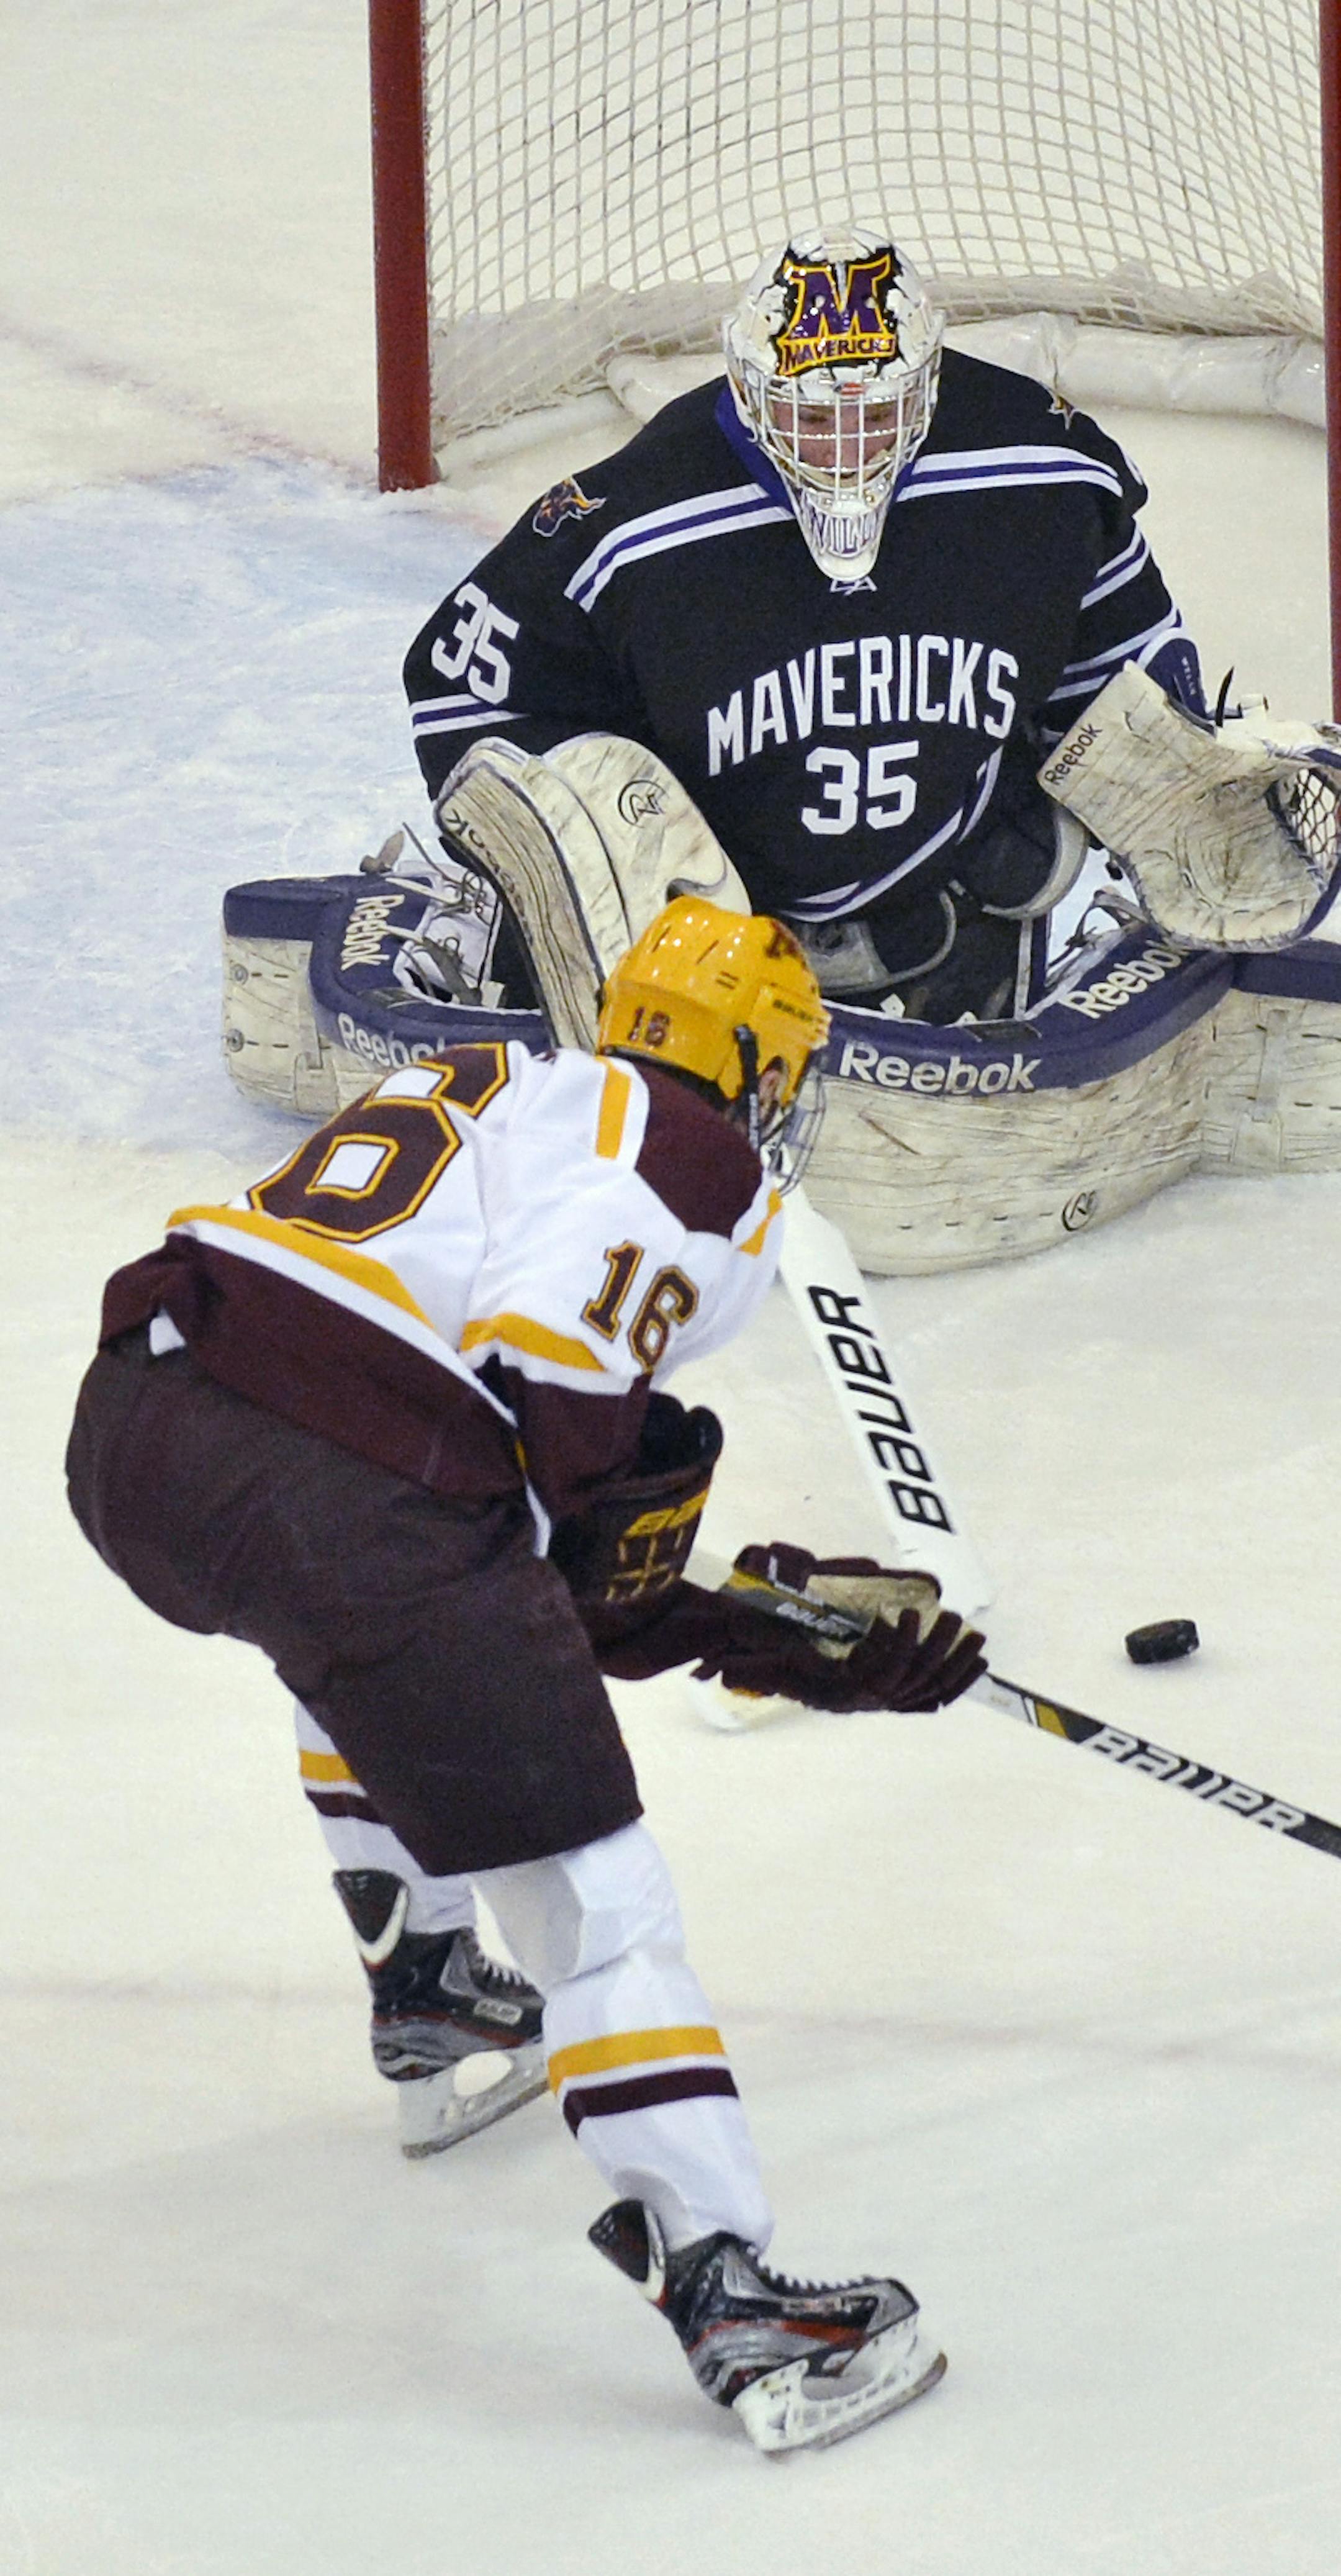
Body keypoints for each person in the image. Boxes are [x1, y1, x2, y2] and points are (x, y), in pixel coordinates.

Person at [66, 896, 986, 2454]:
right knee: (596, 1890)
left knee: (358, 1637)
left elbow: (484, 1477)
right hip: (347, 1490)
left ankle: (431, 1988)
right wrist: (729, 1624)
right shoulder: (694, 1154)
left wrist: (708, 1611)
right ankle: (729, 2289)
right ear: (755, 1068)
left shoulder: (493, 1077)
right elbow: (542, 1413)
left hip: (139, 1428)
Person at [404, 221, 1207, 1028]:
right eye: (814, 421)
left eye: (879, 413)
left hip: (954, 916)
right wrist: (543, 864)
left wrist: (1184, 808)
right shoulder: (630, 523)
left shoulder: (1044, 470)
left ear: (929, 384)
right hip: (692, 946)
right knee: (577, 791)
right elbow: (466, 699)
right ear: (749, 392)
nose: (847, 452)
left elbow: (1129, 663)